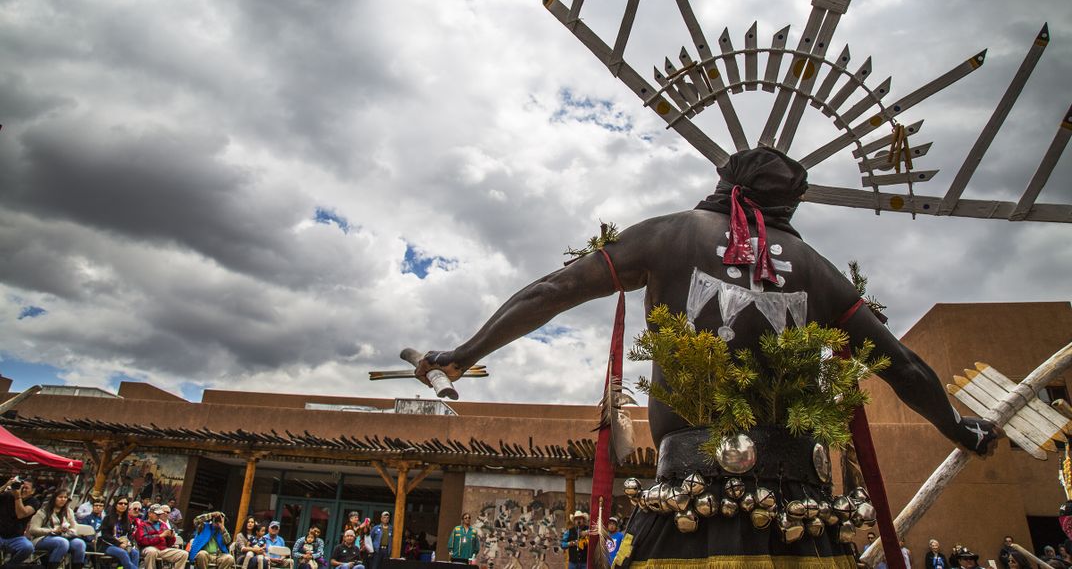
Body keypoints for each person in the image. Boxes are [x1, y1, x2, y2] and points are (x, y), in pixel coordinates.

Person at [417, 147, 1003, 569]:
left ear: (728, 183)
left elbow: (552, 292)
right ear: (789, 202)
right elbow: (900, 365)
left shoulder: (670, 235)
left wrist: (464, 354)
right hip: (797, 519)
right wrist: (958, 429)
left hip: (688, 513)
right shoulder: (817, 269)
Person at [28, 487, 87, 569]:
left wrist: (69, 530)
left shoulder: (69, 511)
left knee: (80, 544)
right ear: (54, 498)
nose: (63, 499)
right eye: (60, 497)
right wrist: (53, 530)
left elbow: (74, 528)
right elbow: (33, 530)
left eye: (65, 497)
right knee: (62, 542)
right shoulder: (43, 511)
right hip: (43, 538)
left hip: (65, 536)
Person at [0, 476, 39, 569]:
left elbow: (21, 514)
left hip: (16, 537)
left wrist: (18, 497)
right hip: (0, 535)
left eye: (26, 488)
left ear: (33, 491)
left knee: (28, 548)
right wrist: (6, 485)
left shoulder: (34, 502)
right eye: (22, 487)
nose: (23, 489)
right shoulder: (8, 494)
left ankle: (9, 566)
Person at [135, 503, 189, 569]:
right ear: (149, 514)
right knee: (152, 551)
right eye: (156, 514)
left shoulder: (163, 525)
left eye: (159, 514)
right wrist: (160, 536)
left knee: (183, 554)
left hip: (163, 550)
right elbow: (142, 541)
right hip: (148, 548)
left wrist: (171, 537)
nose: (158, 516)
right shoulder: (143, 525)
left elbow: (169, 544)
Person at [100, 496, 141, 569]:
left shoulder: (127, 520)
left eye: (125, 504)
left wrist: (128, 543)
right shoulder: (107, 518)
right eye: (120, 503)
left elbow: (130, 535)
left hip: (124, 545)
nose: (123, 505)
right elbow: (105, 535)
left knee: (135, 553)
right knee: (123, 553)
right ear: (116, 505)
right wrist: (119, 544)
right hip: (108, 545)